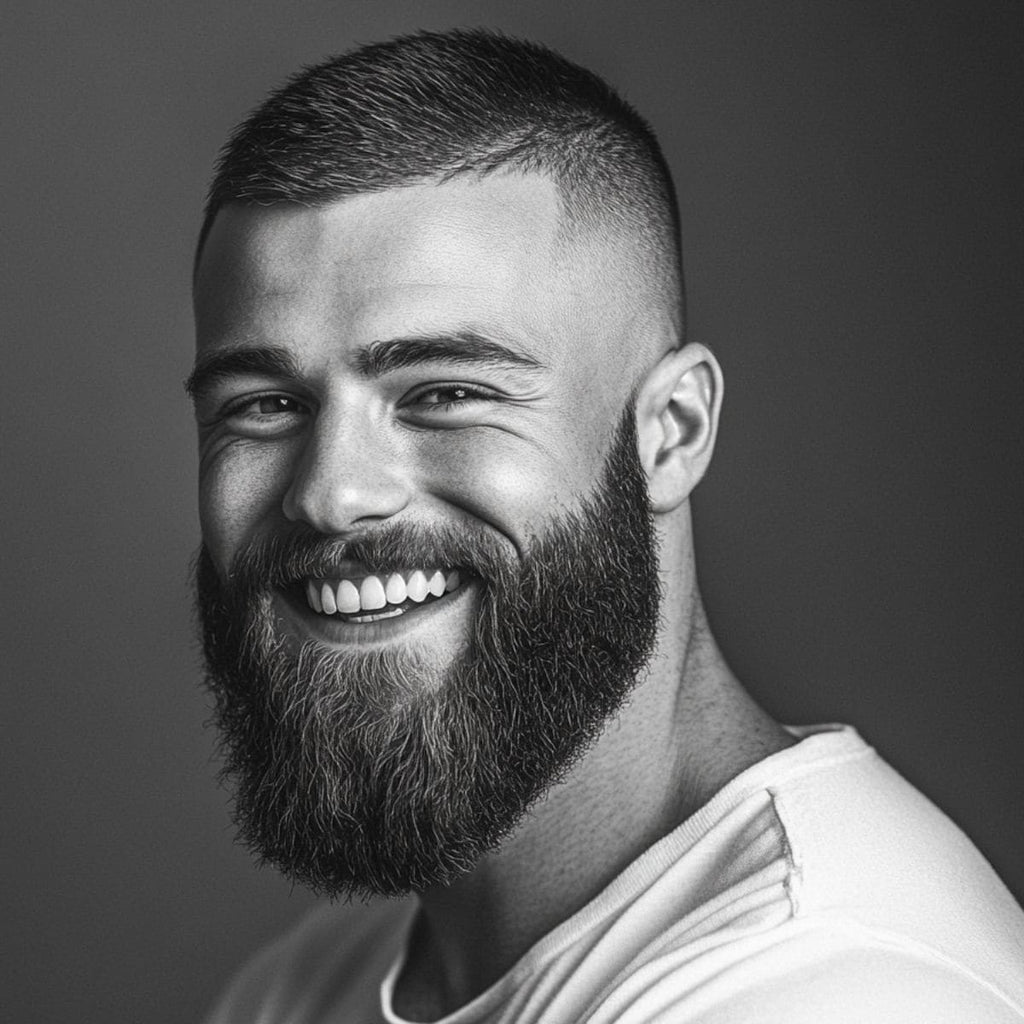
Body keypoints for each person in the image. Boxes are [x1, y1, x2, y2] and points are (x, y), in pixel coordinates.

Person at [188, 28, 1024, 1024]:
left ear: (671, 433)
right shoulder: (303, 985)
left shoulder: (840, 987)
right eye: (264, 406)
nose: (331, 493)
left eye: (445, 391)